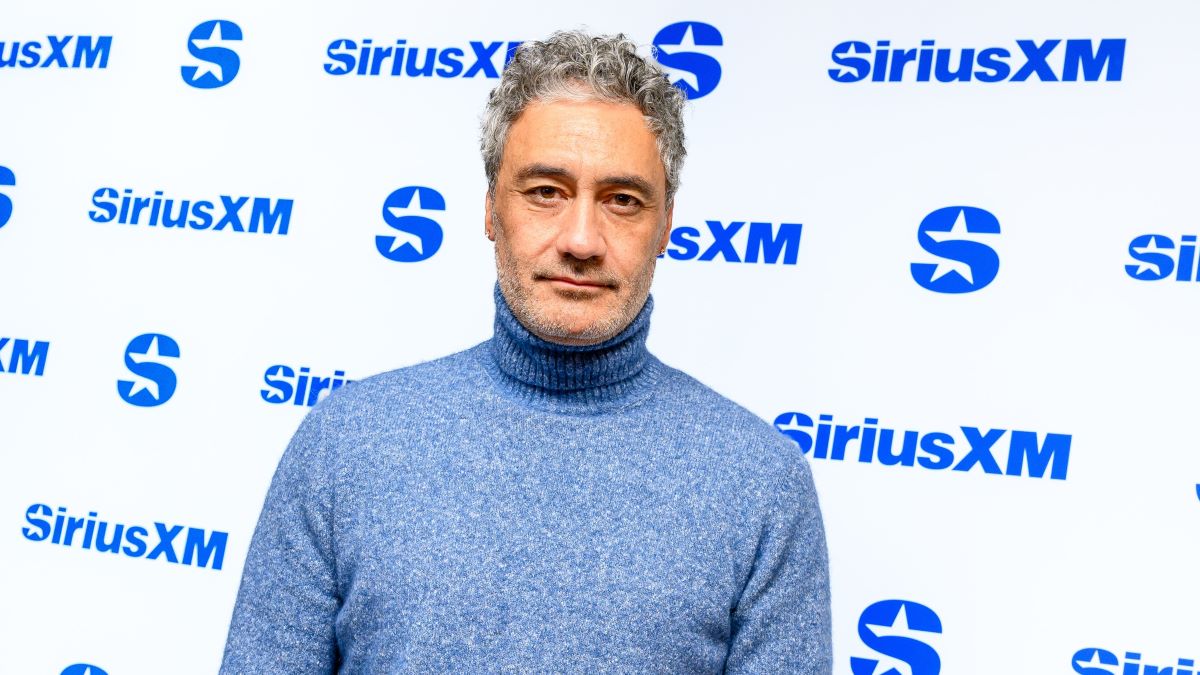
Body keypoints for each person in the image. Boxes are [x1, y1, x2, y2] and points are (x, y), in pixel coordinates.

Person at [221, 30, 831, 674]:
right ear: (490, 209)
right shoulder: (345, 443)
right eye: (546, 191)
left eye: (623, 201)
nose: (581, 239)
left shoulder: (761, 482)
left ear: (667, 226)